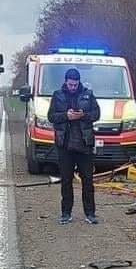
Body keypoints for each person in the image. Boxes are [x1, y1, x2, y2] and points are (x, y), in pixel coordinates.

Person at [48, 68, 101, 225]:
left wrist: (83, 115)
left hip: (85, 145)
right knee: (66, 181)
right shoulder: (57, 95)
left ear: (79, 82)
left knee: (88, 180)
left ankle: (90, 214)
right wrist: (66, 116)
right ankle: (66, 213)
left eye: (75, 84)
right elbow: (51, 117)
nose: (72, 87)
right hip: (64, 145)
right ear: (66, 81)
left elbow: (96, 114)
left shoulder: (88, 94)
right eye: (70, 84)